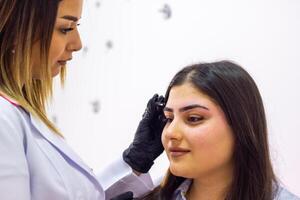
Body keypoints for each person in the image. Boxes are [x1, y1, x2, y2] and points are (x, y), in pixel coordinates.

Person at [0, 0, 165, 199]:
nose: (77, 44)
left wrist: (135, 161)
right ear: (16, 28)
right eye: (65, 28)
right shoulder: (4, 119)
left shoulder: (18, 116)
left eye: (75, 27)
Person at [141, 61, 300, 200]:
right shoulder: (145, 194)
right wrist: (133, 163)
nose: (170, 133)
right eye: (169, 118)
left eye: (194, 118)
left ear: (241, 126)